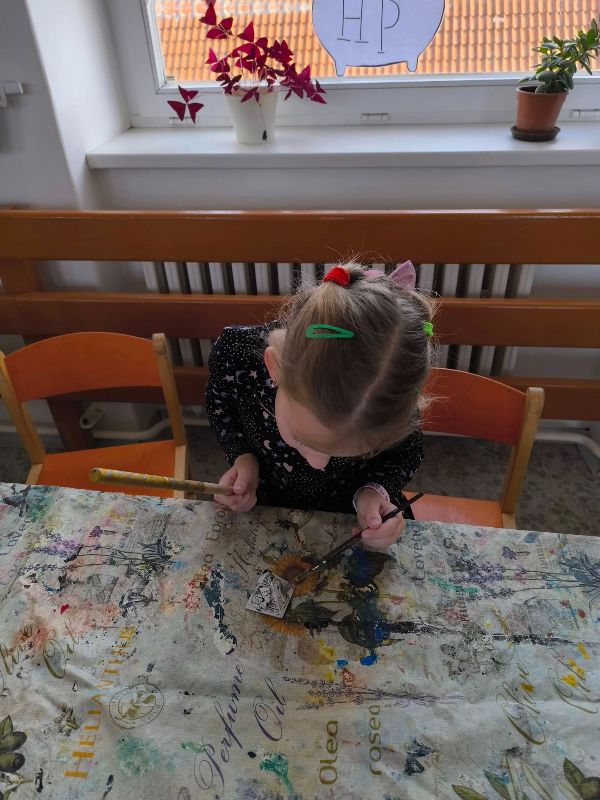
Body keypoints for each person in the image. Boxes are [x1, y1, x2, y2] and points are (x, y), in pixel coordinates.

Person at [206, 262, 434, 548]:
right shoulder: (237, 357)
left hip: (350, 511)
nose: (317, 464)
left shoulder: (387, 396)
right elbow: (221, 408)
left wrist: (373, 492)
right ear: (274, 368)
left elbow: (406, 453)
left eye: (360, 450)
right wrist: (243, 457)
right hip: (266, 497)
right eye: (302, 440)